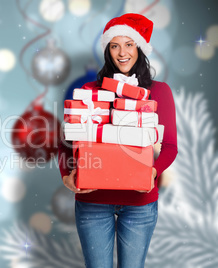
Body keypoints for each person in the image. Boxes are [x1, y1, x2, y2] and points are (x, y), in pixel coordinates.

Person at [58, 13, 178, 268]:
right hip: (92, 201)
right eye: (115, 45)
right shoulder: (89, 92)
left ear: (139, 48)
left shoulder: (159, 92)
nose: (122, 52)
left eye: (129, 44)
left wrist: (152, 173)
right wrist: (66, 175)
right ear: (107, 51)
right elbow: (66, 141)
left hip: (139, 203)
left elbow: (170, 147)